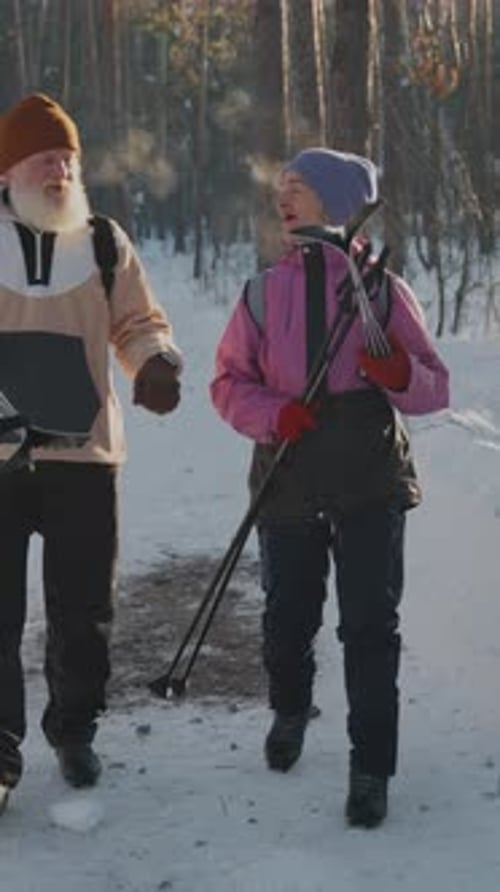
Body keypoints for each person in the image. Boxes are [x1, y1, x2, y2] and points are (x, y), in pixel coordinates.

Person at [210, 147, 449, 828]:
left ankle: (371, 767)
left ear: (340, 203)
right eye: (280, 188)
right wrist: (272, 414)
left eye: (299, 189)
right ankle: (290, 707)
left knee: (371, 627)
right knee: (289, 615)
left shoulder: (382, 291)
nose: (282, 200)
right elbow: (228, 385)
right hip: (287, 472)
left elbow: (434, 387)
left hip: (369, 474)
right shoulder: (262, 292)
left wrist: (399, 370)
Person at [0, 93, 182, 804]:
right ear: (10, 168)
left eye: (70, 160)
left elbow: (138, 321)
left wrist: (155, 361)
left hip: (86, 457)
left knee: (84, 612)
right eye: (47, 159)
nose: (61, 171)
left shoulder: (104, 242)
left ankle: (74, 731)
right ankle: (1, 751)